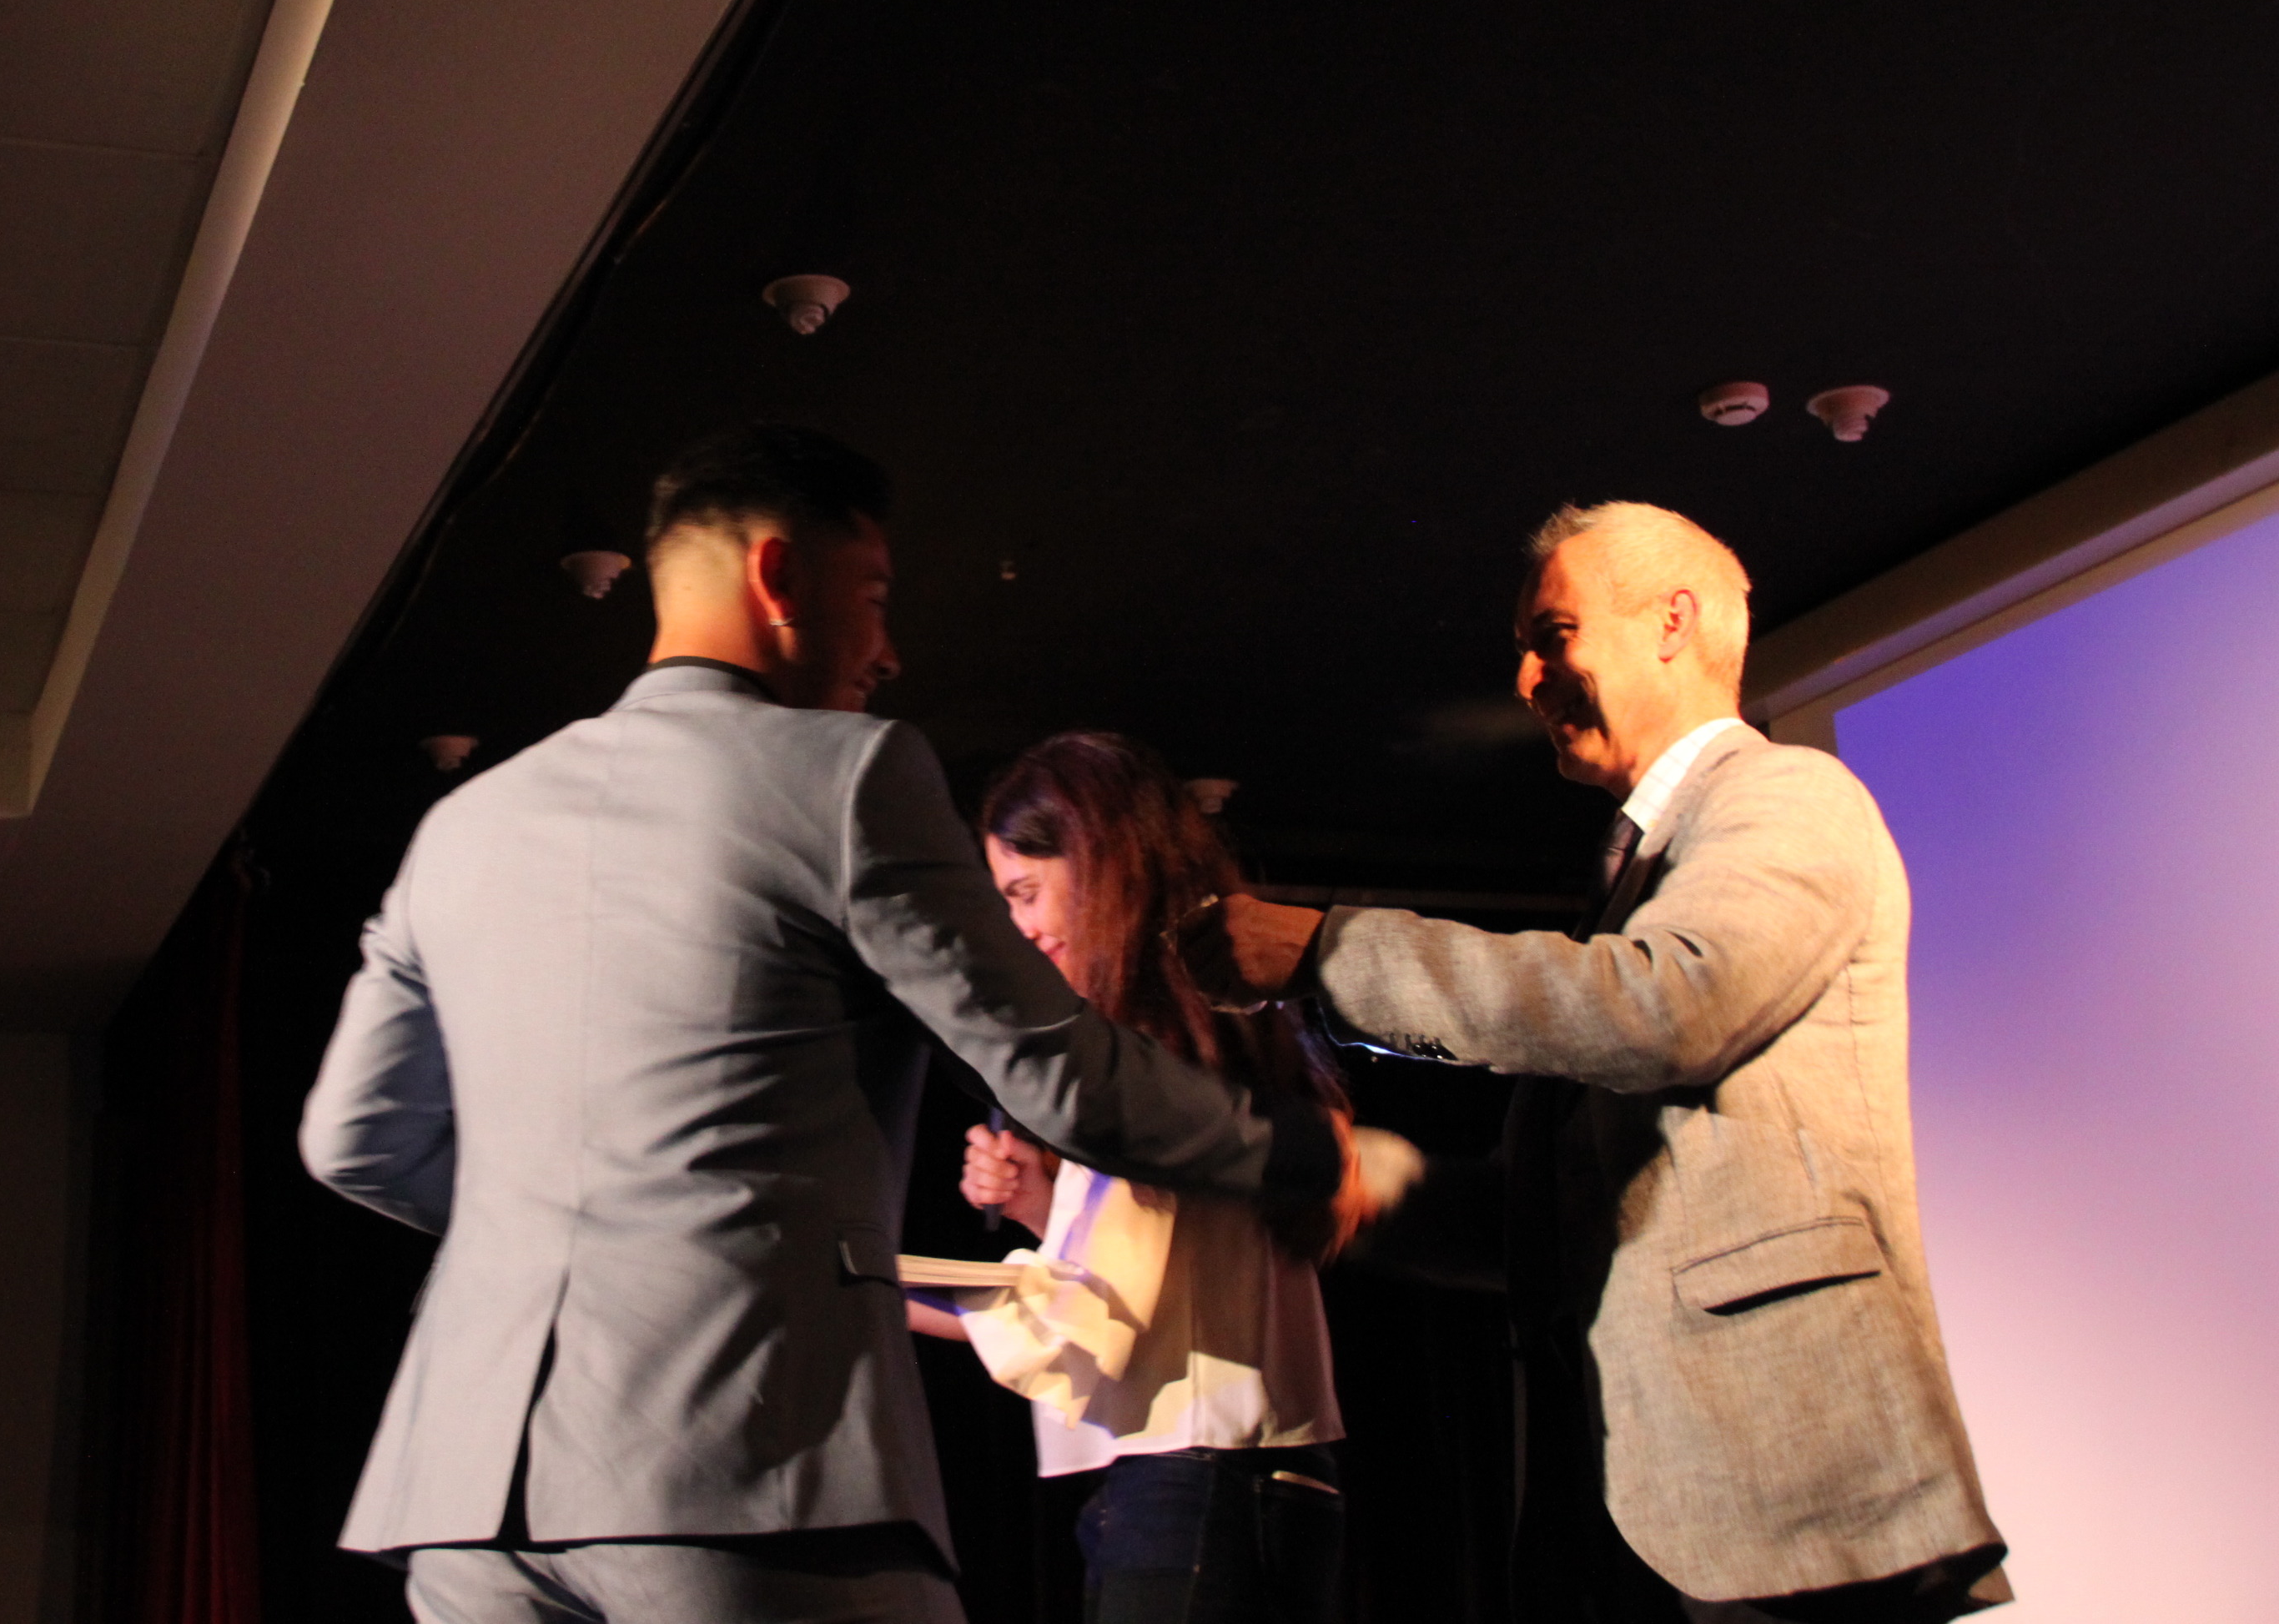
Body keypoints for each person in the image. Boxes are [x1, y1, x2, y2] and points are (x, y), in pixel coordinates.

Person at [299, 423, 1356, 1624]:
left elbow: (352, 1143)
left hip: (460, 1493)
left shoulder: (462, 829)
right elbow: (1058, 1074)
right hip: (735, 1455)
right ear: (779, 577)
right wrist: (1308, 1154)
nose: (887, 652)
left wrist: (588, 1234)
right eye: (875, 596)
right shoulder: (844, 775)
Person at [1201, 501, 2010, 1623]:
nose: (1527, 679)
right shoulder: (1633, 880)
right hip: (1638, 1502)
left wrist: (1328, 952)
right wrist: (1359, 1183)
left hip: (1786, 1502)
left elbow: (1672, 1006)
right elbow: (1573, 1222)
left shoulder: (1787, 796)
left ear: (1673, 622)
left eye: (1555, 635)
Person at [908, 732, 1355, 1624]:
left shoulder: (1147, 1062)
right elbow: (1177, 1275)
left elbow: (1081, 1324)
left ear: (1100, 866)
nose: (1022, 930)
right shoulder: (1217, 1027)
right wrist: (1046, 1206)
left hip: (1195, 1484)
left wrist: (865, 1286)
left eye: (1026, 892)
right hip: (1238, 1481)